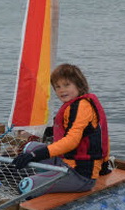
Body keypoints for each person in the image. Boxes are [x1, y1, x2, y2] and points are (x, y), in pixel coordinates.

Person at [12, 63, 111, 194]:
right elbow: (63, 130)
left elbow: (71, 141)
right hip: (65, 162)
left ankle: (31, 194)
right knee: (29, 147)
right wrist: (35, 133)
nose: (61, 90)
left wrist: (34, 156)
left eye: (66, 85)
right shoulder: (71, 105)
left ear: (79, 85)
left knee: (26, 185)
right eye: (57, 87)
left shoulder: (82, 106)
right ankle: (44, 176)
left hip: (80, 174)